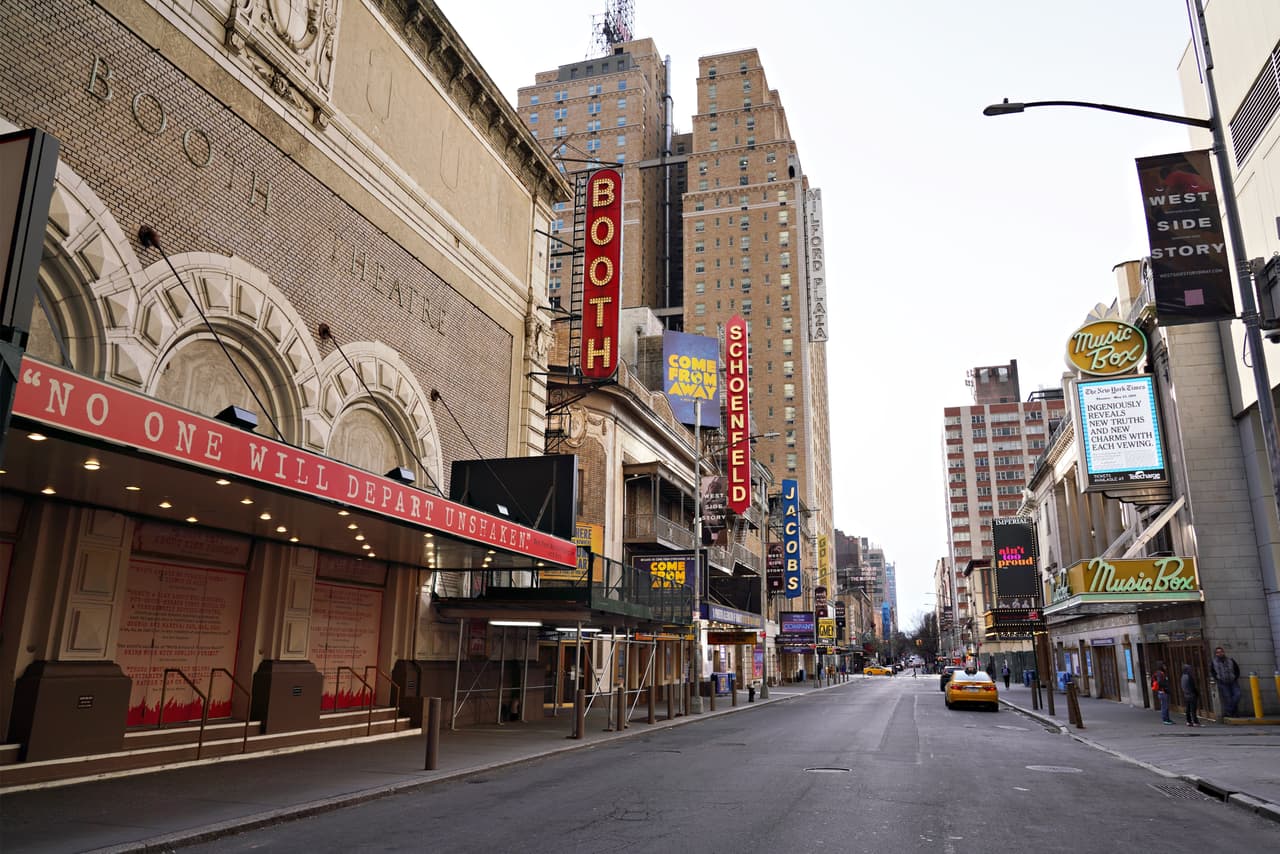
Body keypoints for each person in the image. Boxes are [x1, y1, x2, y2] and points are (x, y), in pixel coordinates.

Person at [1211, 646, 1241, 718]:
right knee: (1228, 698)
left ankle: (1228, 711)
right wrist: (1217, 678)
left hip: (1233, 681)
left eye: (1221, 652)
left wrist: (1235, 677)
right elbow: (1212, 671)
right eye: (1218, 652)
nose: (1220, 653)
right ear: (1216, 654)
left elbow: (1236, 669)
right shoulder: (1214, 662)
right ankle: (1233, 713)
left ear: (1223, 652)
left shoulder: (1230, 660)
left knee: (1238, 695)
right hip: (1222, 682)